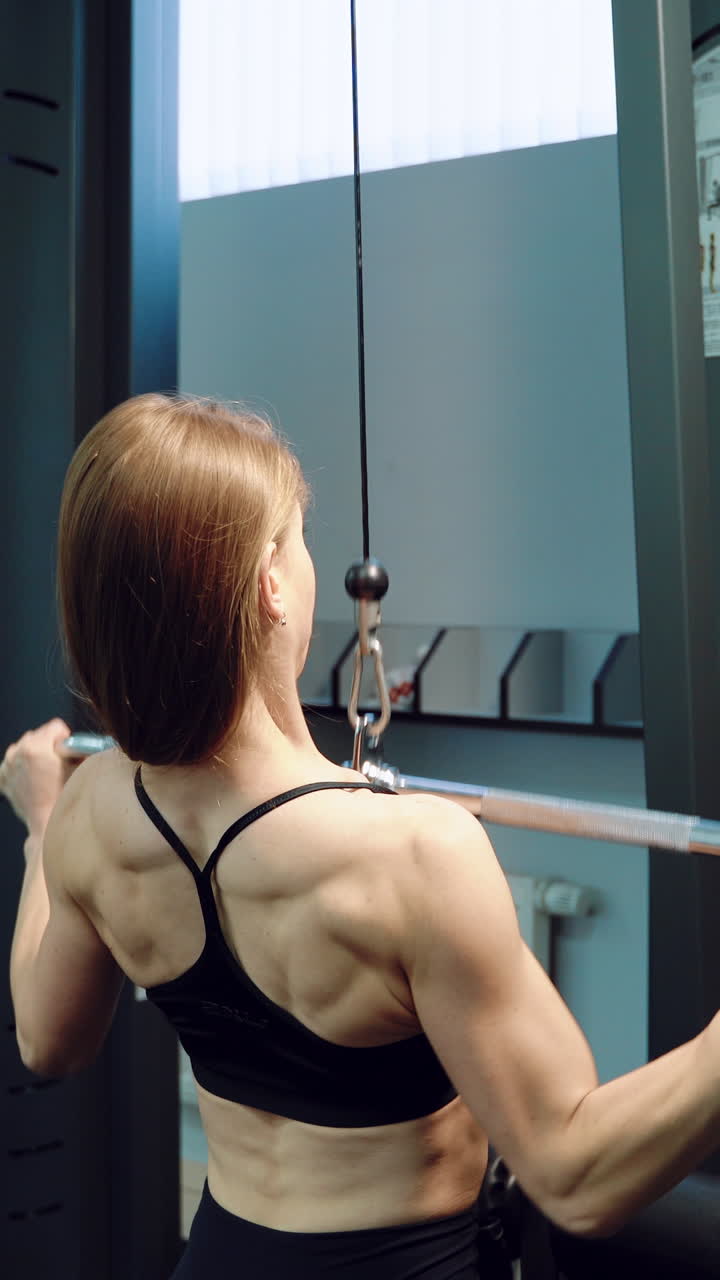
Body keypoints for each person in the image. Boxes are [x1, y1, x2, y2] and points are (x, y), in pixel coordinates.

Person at [3, 393, 720, 1280]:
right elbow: (576, 1174)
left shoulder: (91, 813)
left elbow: (46, 1041)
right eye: (299, 537)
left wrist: (40, 821)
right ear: (271, 584)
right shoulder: (415, 857)